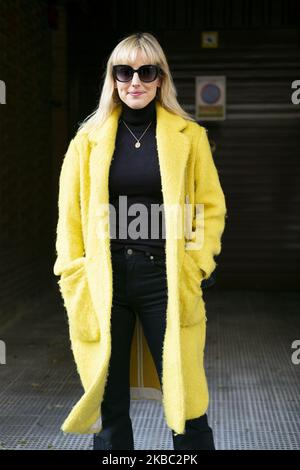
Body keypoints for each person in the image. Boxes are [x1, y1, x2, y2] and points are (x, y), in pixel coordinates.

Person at [53, 32, 227, 450]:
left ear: (161, 79)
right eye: (124, 71)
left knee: (187, 400)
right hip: (104, 282)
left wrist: (197, 264)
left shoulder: (190, 136)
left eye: (146, 71)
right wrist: (72, 271)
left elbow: (209, 207)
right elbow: (69, 217)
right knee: (109, 408)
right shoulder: (87, 140)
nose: (135, 81)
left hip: (163, 280)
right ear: (112, 79)